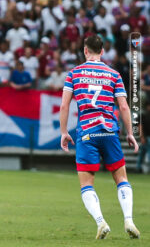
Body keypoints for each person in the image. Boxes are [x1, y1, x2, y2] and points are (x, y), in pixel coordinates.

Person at [59, 35, 140, 239]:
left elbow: (65, 105)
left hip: (87, 133)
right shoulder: (113, 74)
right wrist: (130, 133)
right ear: (102, 51)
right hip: (109, 131)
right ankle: (128, 219)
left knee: (87, 184)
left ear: (85, 51)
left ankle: (101, 222)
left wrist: (64, 132)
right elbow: (123, 105)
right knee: (121, 178)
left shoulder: (74, 74)